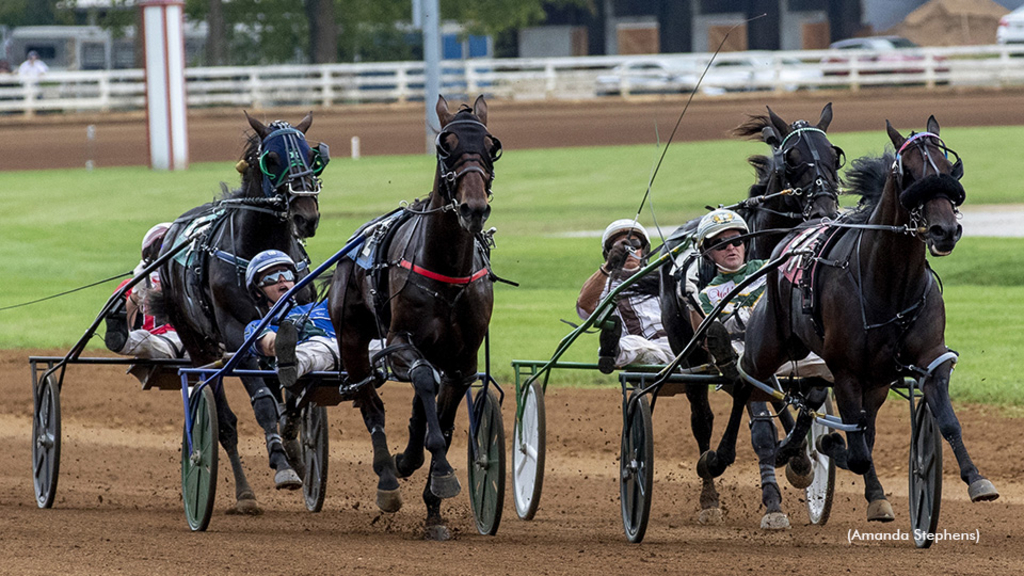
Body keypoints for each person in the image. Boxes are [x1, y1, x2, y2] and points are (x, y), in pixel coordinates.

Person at [693, 208, 831, 381]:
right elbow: (710, 340)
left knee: (837, 363)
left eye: (737, 241)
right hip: (743, 355)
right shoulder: (706, 295)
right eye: (721, 244)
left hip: (784, 349)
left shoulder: (772, 267)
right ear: (707, 253)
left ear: (745, 243)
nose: (731, 248)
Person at [577, 219, 674, 374]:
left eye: (634, 245)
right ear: (609, 253)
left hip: (680, 345)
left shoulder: (663, 278)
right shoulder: (606, 284)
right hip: (640, 349)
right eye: (619, 248)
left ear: (644, 250)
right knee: (634, 345)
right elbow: (585, 304)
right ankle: (611, 351)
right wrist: (608, 266)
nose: (629, 251)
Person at [243, 250, 338, 390]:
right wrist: (283, 342)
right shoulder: (258, 325)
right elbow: (267, 344)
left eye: (287, 275)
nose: (282, 280)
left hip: (352, 348)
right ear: (258, 292)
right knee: (307, 354)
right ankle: (287, 357)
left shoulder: (322, 305)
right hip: (313, 353)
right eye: (271, 277)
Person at [105, 223, 186, 359]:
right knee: (143, 339)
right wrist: (135, 297)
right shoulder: (129, 286)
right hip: (157, 341)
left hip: (193, 340)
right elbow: (129, 326)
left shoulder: (191, 282)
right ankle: (120, 341)